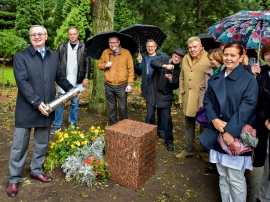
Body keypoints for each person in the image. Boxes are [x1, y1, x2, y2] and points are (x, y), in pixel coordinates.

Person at [6, 25, 76, 197]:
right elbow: (22, 82)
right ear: (30, 37)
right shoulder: (21, 56)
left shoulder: (53, 55)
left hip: (47, 107)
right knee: (19, 146)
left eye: (40, 34)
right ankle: (14, 179)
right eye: (33, 34)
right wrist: (37, 103)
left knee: (42, 143)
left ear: (46, 35)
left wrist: (71, 90)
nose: (36, 37)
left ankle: (36, 170)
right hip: (28, 108)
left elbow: (59, 76)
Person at [199, 43, 258, 202]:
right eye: (226, 55)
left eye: (233, 55)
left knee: (236, 179)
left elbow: (247, 108)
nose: (229, 58)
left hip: (236, 134)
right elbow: (207, 101)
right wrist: (214, 120)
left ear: (241, 57)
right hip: (217, 132)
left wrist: (230, 132)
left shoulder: (249, 81)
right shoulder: (217, 77)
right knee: (223, 176)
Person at [142, 48, 185, 151]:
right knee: (149, 117)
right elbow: (153, 63)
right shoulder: (163, 59)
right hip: (152, 93)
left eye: (179, 58)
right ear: (172, 55)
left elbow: (175, 85)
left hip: (165, 97)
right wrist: (164, 66)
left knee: (167, 120)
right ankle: (148, 138)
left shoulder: (178, 70)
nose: (176, 58)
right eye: (175, 56)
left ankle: (169, 141)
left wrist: (170, 79)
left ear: (181, 60)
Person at [51, 27, 90, 134]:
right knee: (60, 104)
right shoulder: (62, 46)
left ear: (78, 34)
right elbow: (55, 62)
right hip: (63, 80)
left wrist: (86, 77)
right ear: (68, 35)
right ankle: (57, 126)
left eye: (74, 34)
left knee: (75, 104)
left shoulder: (84, 46)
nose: (72, 36)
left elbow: (87, 63)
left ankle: (72, 125)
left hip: (78, 80)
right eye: (70, 34)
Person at [176, 36, 210, 158]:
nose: (192, 50)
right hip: (188, 98)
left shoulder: (208, 58)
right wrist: (181, 96)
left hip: (202, 99)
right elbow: (181, 77)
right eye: (190, 47)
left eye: (195, 47)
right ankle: (188, 149)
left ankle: (204, 151)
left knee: (204, 126)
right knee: (188, 125)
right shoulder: (185, 58)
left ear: (201, 47)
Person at [134, 39, 169, 139]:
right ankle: (151, 129)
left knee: (161, 111)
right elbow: (138, 71)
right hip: (148, 88)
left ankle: (161, 130)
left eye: (152, 46)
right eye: (148, 46)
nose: (150, 48)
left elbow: (169, 69)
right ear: (146, 47)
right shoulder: (143, 57)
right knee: (150, 113)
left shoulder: (163, 56)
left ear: (156, 46)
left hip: (161, 87)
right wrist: (139, 63)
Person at [97, 35, 134, 125]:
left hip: (122, 85)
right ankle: (113, 127)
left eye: (114, 42)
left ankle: (124, 126)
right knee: (111, 107)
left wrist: (130, 84)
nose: (112, 44)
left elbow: (130, 69)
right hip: (109, 85)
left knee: (122, 108)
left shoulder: (126, 53)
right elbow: (99, 65)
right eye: (110, 42)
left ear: (118, 42)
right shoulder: (106, 52)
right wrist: (105, 65)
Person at [198, 48, 224, 167]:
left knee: (220, 135)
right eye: (209, 59)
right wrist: (201, 104)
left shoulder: (226, 71)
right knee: (209, 132)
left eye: (212, 60)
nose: (210, 62)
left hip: (221, 108)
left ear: (219, 59)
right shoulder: (207, 71)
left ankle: (219, 162)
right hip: (209, 106)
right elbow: (203, 88)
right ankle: (211, 161)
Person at [253, 42, 270, 202]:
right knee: (266, 161)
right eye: (266, 54)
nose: (269, 57)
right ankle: (263, 196)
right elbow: (254, 97)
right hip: (262, 121)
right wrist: (253, 76)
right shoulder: (261, 72)